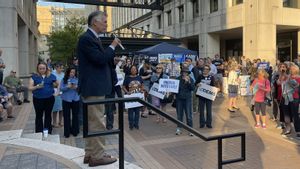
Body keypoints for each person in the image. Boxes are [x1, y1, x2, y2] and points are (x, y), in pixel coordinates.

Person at [77, 11, 120, 166]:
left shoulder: (91, 38)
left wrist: (112, 59)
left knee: (91, 122)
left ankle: (90, 154)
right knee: (97, 123)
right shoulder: (87, 38)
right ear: (95, 22)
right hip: (94, 88)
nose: (106, 25)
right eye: (104, 22)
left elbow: (98, 61)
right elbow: (99, 59)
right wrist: (113, 46)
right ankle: (98, 156)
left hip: (93, 87)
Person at [29, 62, 58, 134]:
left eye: (43, 68)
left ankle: (47, 131)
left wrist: (57, 91)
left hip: (49, 99)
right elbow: (30, 87)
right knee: (39, 115)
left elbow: (58, 83)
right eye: (40, 68)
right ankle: (39, 132)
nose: (42, 70)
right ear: (37, 69)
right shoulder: (34, 76)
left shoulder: (51, 76)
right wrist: (36, 87)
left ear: (46, 68)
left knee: (48, 115)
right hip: (38, 99)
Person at [60, 67, 80, 138]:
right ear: (68, 72)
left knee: (75, 116)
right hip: (66, 100)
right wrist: (67, 87)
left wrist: (76, 88)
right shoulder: (64, 79)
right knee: (66, 116)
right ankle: (67, 132)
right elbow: (61, 88)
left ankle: (75, 131)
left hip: (75, 99)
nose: (72, 74)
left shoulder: (77, 79)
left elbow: (80, 90)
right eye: (71, 72)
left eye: (74, 72)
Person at [175, 66, 195, 136]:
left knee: (189, 115)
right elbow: (175, 89)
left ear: (188, 73)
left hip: (187, 99)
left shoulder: (190, 79)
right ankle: (179, 128)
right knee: (179, 115)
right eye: (183, 72)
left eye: (186, 72)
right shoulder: (178, 79)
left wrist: (188, 82)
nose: (185, 73)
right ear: (181, 72)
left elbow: (192, 88)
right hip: (179, 99)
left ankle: (190, 129)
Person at [123, 65, 144, 130]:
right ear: (130, 70)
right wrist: (127, 92)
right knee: (130, 112)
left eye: (135, 69)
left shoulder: (139, 77)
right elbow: (123, 86)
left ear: (137, 70)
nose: (133, 70)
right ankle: (131, 125)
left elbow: (142, 85)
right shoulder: (127, 78)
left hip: (138, 98)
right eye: (132, 69)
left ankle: (136, 124)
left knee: (137, 112)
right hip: (130, 98)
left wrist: (141, 90)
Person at [52, 63, 64, 128]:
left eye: (62, 68)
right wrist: (57, 85)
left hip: (62, 92)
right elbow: (53, 83)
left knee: (62, 108)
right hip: (55, 91)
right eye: (60, 68)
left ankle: (60, 121)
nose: (61, 69)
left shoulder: (63, 74)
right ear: (56, 67)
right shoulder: (53, 74)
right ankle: (54, 122)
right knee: (55, 108)